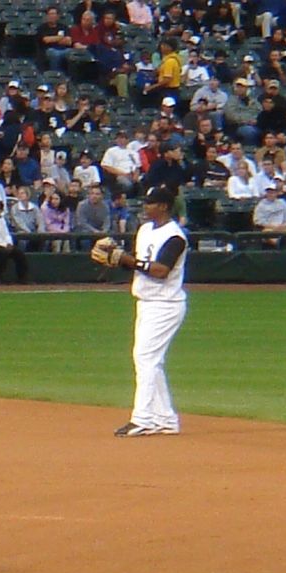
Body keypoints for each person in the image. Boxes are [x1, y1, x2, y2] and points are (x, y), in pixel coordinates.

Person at [91, 186, 188, 437]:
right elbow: (139, 264)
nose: (145, 207)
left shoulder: (175, 237)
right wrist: (117, 260)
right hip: (146, 302)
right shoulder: (145, 230)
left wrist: (125, 259)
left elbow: (160, 270)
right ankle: (165, 418)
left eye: (150, 203)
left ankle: (143, 418)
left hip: (166, 305)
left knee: (146, 358)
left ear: (164, 206)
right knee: (151, 361)